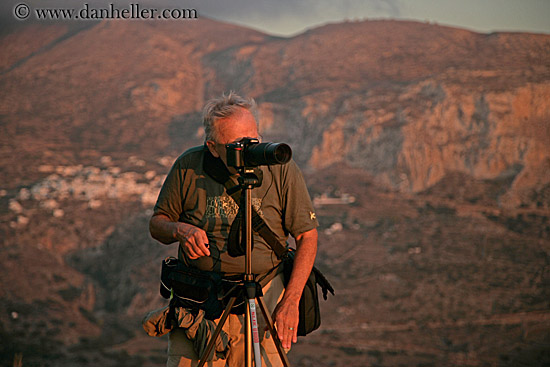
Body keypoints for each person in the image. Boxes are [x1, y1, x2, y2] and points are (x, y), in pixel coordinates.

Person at [149, 91, 319, 367]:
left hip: (263, 295)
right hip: (199, 301)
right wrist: (180, 230)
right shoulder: (190, 166)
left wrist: (290, 301)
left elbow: (307, 235)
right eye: (237, 145)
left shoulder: (280, 170)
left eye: (253, 140)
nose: (249, 149)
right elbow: (157, 223)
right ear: (212, 147)